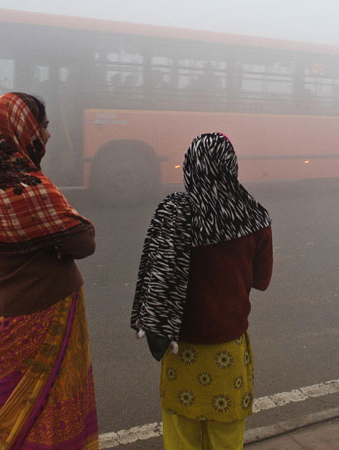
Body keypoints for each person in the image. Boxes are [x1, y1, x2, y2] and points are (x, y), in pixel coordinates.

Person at [0, 92, 99, 449]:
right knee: (50, 420)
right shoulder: (26, 187)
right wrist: (52, 242)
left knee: (14, 423)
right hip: (40, 320)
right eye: (43, 127)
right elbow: (84, 240)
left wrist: (47, 240)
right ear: (22, 130)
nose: (47, 136)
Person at [131, 132, 273, 450]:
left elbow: (156, 276)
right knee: (226, 437)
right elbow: (261, 280)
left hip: (181, 349)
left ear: (191, 167)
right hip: (228, 351)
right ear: (231, 166)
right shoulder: (254, 217)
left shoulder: (172, 213)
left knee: (181, 435)